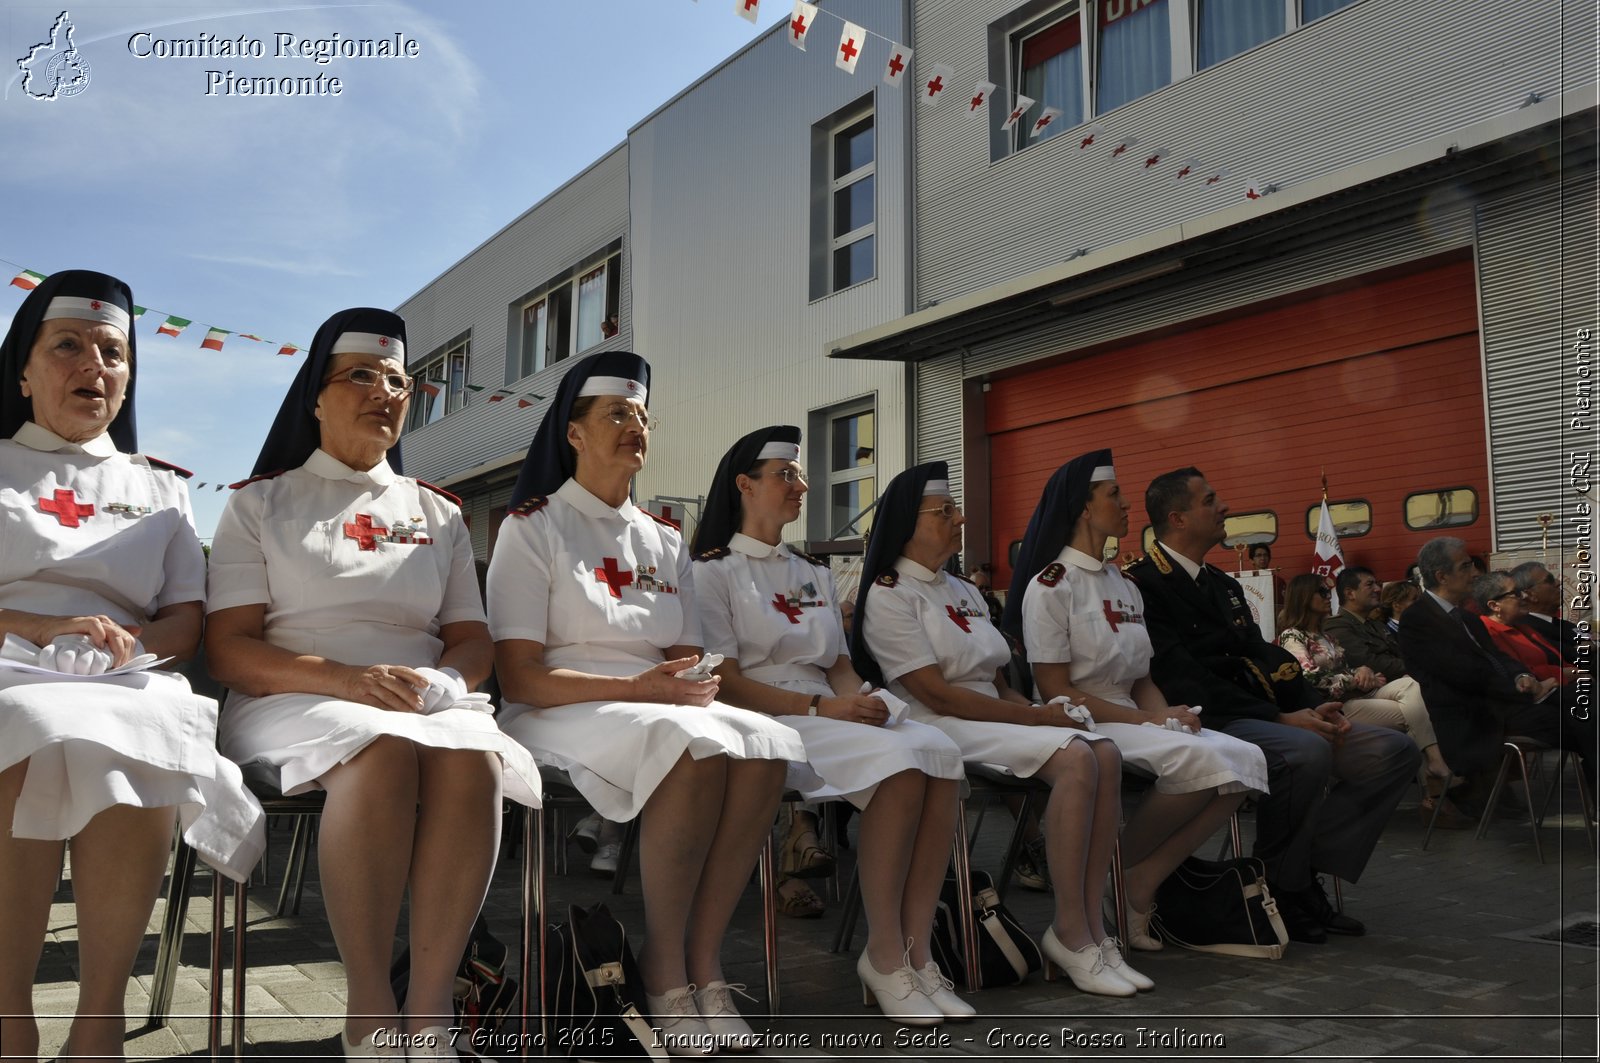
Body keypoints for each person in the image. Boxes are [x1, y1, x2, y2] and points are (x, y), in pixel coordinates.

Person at [206, 308, 541, 1061]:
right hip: (287, 692)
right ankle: (369, 1005)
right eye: (360, 375)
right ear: (315, 398)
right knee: (383, 753)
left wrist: (448, 679)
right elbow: (228, 649)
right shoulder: (259, 503)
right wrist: (349, 680)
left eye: (397, 380)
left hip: (415, 696)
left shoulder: (439, 511)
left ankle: (431, 1011)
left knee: (471, 758)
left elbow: (471, 637)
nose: (384, 392)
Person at [487, 352, 806, 1055]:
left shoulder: (664, 539)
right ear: (573, 433)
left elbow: (677, 654)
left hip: (652, 703)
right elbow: (519, 677)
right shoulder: (533, 527)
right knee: (692, 748)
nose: (635, 426)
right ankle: (663, 968)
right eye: (616, 415)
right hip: (559, 705)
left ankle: (705, 962)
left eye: (641, 415)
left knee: (764, 746)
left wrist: (689, 676)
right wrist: (645, 689)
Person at [0, 270, 264, 1062]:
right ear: (24, 370)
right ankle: (10, 1014)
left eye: (113, 352)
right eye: (69, 346)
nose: (94, 365)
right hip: (4, 661)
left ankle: (100, 1020)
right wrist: (36, 625)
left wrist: (132, 645)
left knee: (146, 724)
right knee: (28, 721)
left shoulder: (160, 487)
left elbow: (187, 614)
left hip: (123, 673)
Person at [692, 425, 969, 1024]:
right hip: (762, 715)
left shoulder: (811, 569)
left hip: (827, 708)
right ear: (745, 485)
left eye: (799, 475)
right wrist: (827, 709)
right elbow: (728, 680)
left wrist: (864, 702)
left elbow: (839, 665)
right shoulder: (711, 571)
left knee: (936, 751)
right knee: (901, 767)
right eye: (784, 476)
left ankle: (917, 955)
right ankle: (885, 955)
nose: (800, 485)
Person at [851, 462, 1149, 998]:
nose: (960, 518)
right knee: (1080, 757)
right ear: (907, 523)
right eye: (944, 512)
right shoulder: (890, 593)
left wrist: (1042, 710)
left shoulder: (963, 590)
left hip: (991, 714)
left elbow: (999, 684)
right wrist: (1036, 717)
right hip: (937, 722)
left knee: (1103, 750)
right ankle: (1071, 931)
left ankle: (1090, 929)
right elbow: (936, 694)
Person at [1126, 468, 1419, 945]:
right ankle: (1286, 887)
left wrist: (1313, 705)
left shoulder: (1221, 585)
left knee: (1394, 752)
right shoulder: (1144, 585)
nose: (1223, 507)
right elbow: (1180, 677)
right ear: (1177, 518)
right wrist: (1282, 718)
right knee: (1304, 753)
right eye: (1210, 500)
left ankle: (1300, 871)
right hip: (1205, 721)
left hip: (1263, 714)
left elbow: (1268, 657)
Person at [1004, 450, 1268, 952]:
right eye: (1115, 496)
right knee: (1201, 762)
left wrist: (1169, 714)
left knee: (1243, 761)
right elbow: (1057, 689)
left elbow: (1142, 675)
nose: (1128, 505)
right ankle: (1116, 876)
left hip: (1130, 710)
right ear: (1084, 508)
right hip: (1081, 718)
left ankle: (1135, 880)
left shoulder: (1123, 582)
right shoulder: (1050, 586)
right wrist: (1147, 718)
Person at [1397, 538, 1594, 797]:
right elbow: (1462, 673)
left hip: (1507, 703)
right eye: (1466, 566)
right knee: (1587, 717)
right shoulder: (1418, 619)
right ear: (1442, 576)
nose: (1475, 572)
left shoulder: (1467, 617)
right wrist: (1524, 690)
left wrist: (1522, 675)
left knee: (1588, 701)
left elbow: (1499, 658)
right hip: (1477, 715)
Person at [1278, 573, 1452, 778]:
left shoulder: (1327, 636)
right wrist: (1355, 679)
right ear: (1304, 596)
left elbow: (1342, 670)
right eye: (1323, 591)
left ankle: (1435, 771)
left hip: (1361, 694)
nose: (1328, 596)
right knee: (1412, 713)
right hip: (1335, 706)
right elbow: (1309, 678)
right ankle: (1434, 783)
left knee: (1411, 684)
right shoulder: (1292, 635)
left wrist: (1362, 671)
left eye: (1329, 591)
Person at [1474, 571, 1579, 688]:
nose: (1525, 596)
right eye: (1516, 593)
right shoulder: (1488, 632)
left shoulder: (1521, 626)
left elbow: (1556, 658)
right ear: (1495, 606)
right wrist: (1563, 674)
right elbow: (1519, 674)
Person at [1510, 561, 1585, 666]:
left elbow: (1590, 639)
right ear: (1531, 595)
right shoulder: (1527, 630)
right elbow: (1572, 657)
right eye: (1549, 580)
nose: (1558, 582)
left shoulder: (1563, 624)